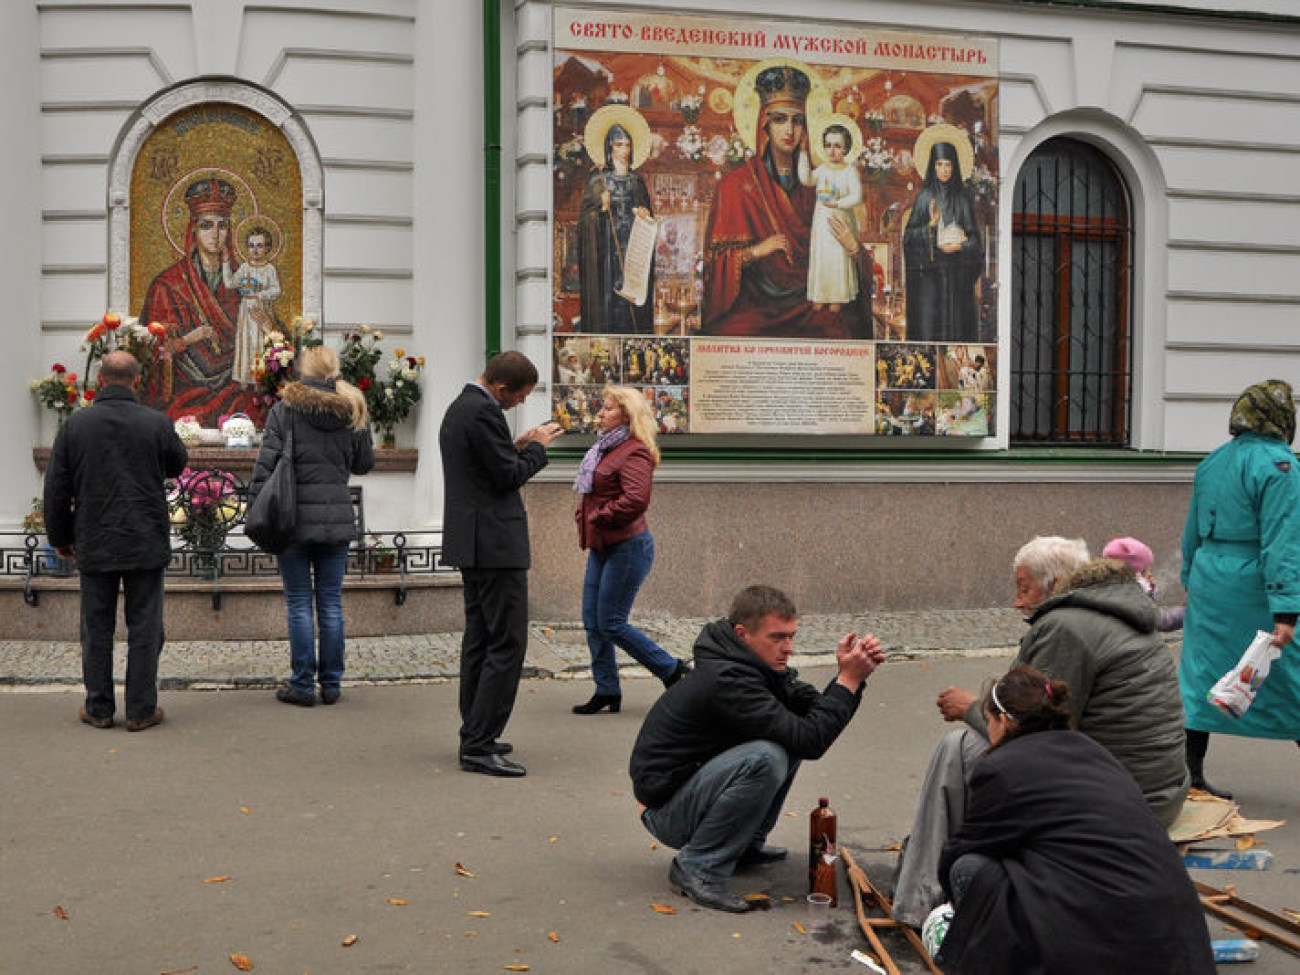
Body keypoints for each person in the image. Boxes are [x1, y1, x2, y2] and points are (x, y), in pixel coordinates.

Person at [890, 535, 1189, 927]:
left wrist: (969, 709)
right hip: (1160, 789)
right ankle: (938, 871)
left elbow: (1032, 732)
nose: (1016, 602)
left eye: (1024, 588)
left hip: (1125, 798)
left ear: (1054, 585)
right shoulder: (1117, 611)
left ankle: (920, 897)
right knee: (975, 748)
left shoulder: (1066, 627)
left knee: (959, 746)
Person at [934, 665, 1215, 975]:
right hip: (1176, 941)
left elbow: (964, 848)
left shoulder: (1002, 768)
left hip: (1102, 938)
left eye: (988, 721)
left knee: (968, 870)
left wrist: (951, 911)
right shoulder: (1095, 752)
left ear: (1003, 721)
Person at [629, 585, 885, 912]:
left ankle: (744, 845)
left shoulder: (751, 665)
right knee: (767, 756)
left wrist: (847, 677)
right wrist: (847, 682)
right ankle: (697, 867)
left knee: (786, 741)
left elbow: (813, 717)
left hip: (685, 791)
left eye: (791, 636)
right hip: (665, 811)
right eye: (777, 638)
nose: (788, 648)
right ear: (742, 634)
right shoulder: (729, 679)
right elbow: (813, 739)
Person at [43, 350, 188, 731]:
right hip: (144, 539)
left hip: (95, 538)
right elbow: (178, 464)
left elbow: (57, 488)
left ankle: (99, 708)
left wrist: (60, 536)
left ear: (99, 382)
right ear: (137, 381)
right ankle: (141, 710)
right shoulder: (156, 423)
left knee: (96, 627)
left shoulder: (76, 426)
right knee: (145, 627)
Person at [440, 351, 564, 777]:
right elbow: (506, 477)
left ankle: (475, 730)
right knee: (506, 643)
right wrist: (538, 452)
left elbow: (485, 467)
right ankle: (478, 744)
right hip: (494, 544)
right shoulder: (482, 413)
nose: (519, 405)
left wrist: (517, 446)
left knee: (480, 637)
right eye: (518, 397)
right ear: (500, 388)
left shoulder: (461, 407)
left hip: (473, 542)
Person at [1179, 379, 1300, 799]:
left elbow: (1191, 531)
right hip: (1254, 584)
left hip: (1211, 579)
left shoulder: (1212, 462)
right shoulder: (1280, 466)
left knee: (1200, 679)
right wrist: (1287, 611)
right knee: (1287, 676)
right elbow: (1283, 540)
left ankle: (1189, 776)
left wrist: (1190, 581)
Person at [701, 63, 871, 339]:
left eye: (797, 120)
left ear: (806, 127)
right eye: (779, 119)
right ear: (764, 124)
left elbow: (850, 243)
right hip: (756, 306)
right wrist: (756, 251)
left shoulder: (821, 182)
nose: (789, 129)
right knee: (734, 331)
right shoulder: (736, 185)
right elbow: (714, 264)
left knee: (841, 329)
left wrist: (854, 250)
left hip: (811, 296)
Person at [248, 346, 374, 707]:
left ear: (303, 369)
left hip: (292, 520)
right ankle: (331, 684)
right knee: (331, 602)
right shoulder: (353, 407)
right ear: (334, 370)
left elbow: (266, 464)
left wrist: (256, 507)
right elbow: (364, 464)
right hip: (336, 520)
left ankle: (303, 685)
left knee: (299, 602)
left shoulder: (285, 409)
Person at [572, 386, 690, 714]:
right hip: (602, 546)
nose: (600, 413)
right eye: (602, 408)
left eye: (608, 409)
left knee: (611, 621)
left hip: (628, 547)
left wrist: (598, 516)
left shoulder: (634, 450)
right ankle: (607, 689)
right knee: (593, 621)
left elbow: (636, 500)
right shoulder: (605, 448)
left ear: (626, 414)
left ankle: (672, 669)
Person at [139, 176, 254, 426]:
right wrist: (192, 337)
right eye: (207, 225)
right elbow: (152, 352)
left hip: (236, 386)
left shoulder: (246, 281)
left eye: (222, 226)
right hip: (188, 391)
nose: (215, 234)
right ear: (193, 229)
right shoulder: (167, 285)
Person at [579, 108, 655, 333]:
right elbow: (585, 222)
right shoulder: (598, 181)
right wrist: (601, 208)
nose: (623, 150)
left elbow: (648, 215)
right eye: (618, 145)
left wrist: (644, 214)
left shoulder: (636, 181)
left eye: (627, 145)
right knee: (609, 303)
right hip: (607, 254)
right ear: (609, 148)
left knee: (632, 304)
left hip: (633, 251)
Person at [903, 136, 984, 342]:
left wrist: (958, 246)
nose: (944, 170)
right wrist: (930, 226)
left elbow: (976, 244)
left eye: (948, 164)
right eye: (940, 164)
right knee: (929, 330)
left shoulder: (962, 198)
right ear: (933, 166)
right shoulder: (924, 198)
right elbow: (909, 240)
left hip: (957, 280)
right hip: (929, 281)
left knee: (956, 331)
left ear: (954, 166)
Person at [800, 123, 861, 311]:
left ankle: (838, 296)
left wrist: (838, 203)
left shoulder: (850, 170)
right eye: (828, 145)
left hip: (841, 219)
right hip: (822, 221)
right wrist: (803, 153)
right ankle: (821, 294)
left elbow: (856, 196)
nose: (832, 151)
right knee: (823, 257)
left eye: (837, 146)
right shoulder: (823, 169)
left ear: (846, 148)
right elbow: (806, 179)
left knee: (838, 257)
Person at [224, 226, 282, 387]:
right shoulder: (245, 268)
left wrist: (260, 294)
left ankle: (260, 380)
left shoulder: (269, 269)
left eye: (259, 245)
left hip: (262, 310)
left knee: (260, 343)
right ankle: (245, 378)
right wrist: (225, 262)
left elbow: (276, 290)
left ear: (267, 248)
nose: (255, 250)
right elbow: (230, 283)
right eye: (251, 245)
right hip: (246, 311)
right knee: (246, 342)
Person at [1101, 535, 1184, 631]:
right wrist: (1189, 612)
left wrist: (1150, 593)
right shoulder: (1132, 595)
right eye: (1147, 570)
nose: (1150, 574)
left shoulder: (1110, 589)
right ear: (1137, 574)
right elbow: (1158, 620)